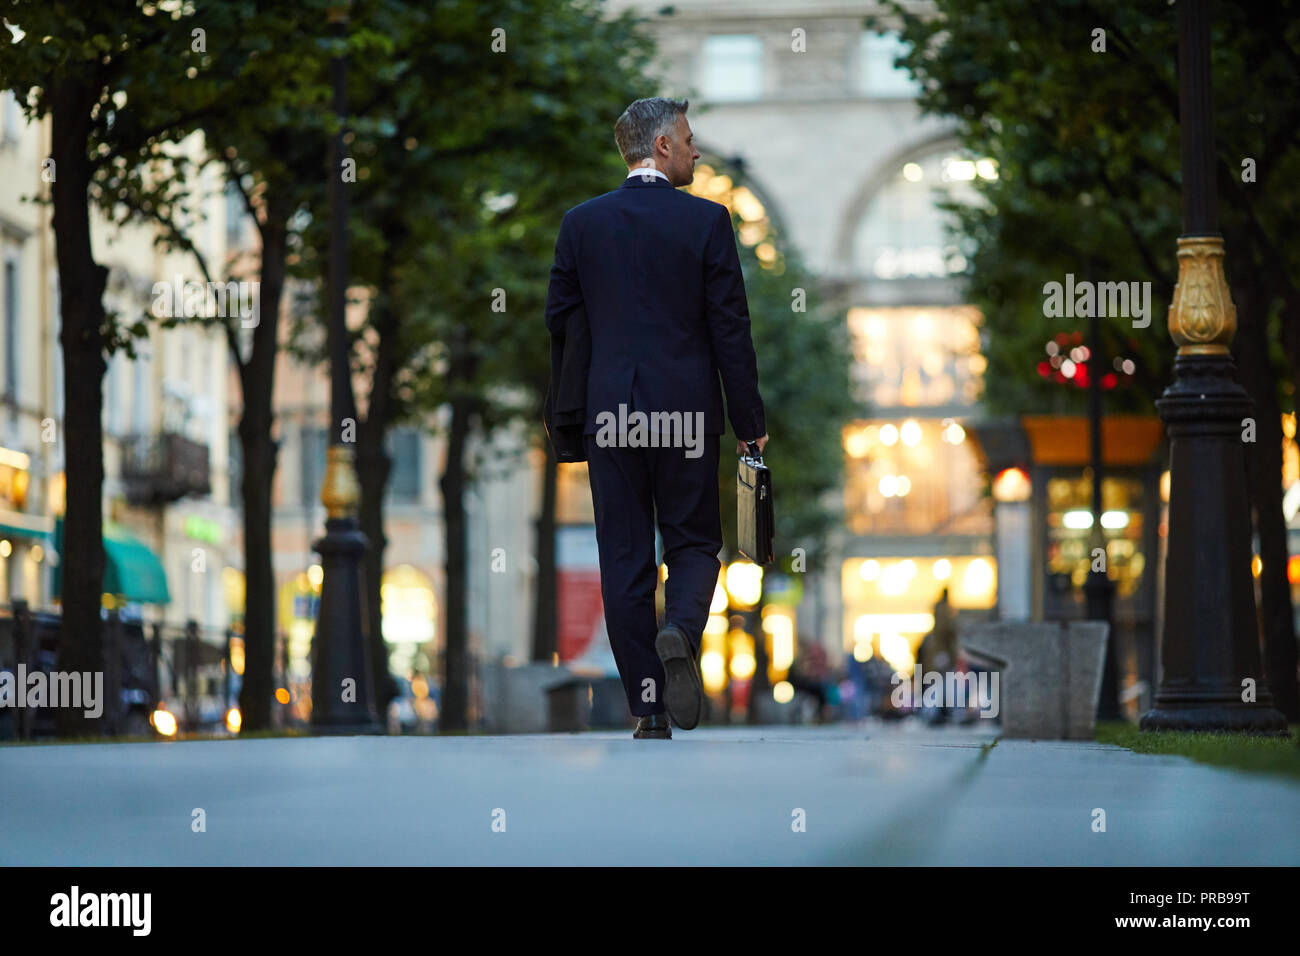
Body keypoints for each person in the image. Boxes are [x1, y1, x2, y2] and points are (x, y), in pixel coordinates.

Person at [544, 97, 767, 740]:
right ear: (663, 146)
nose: (697, 151)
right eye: (690, 139)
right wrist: (748, 418)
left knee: (623, 554)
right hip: (687, 413)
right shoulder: (707, 223)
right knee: (695, 541)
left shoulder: (580, 225)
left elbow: (563, 324)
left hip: (611, 414)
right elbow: (731, 330)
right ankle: (681, 632)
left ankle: (647, 705)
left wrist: (574, 414)